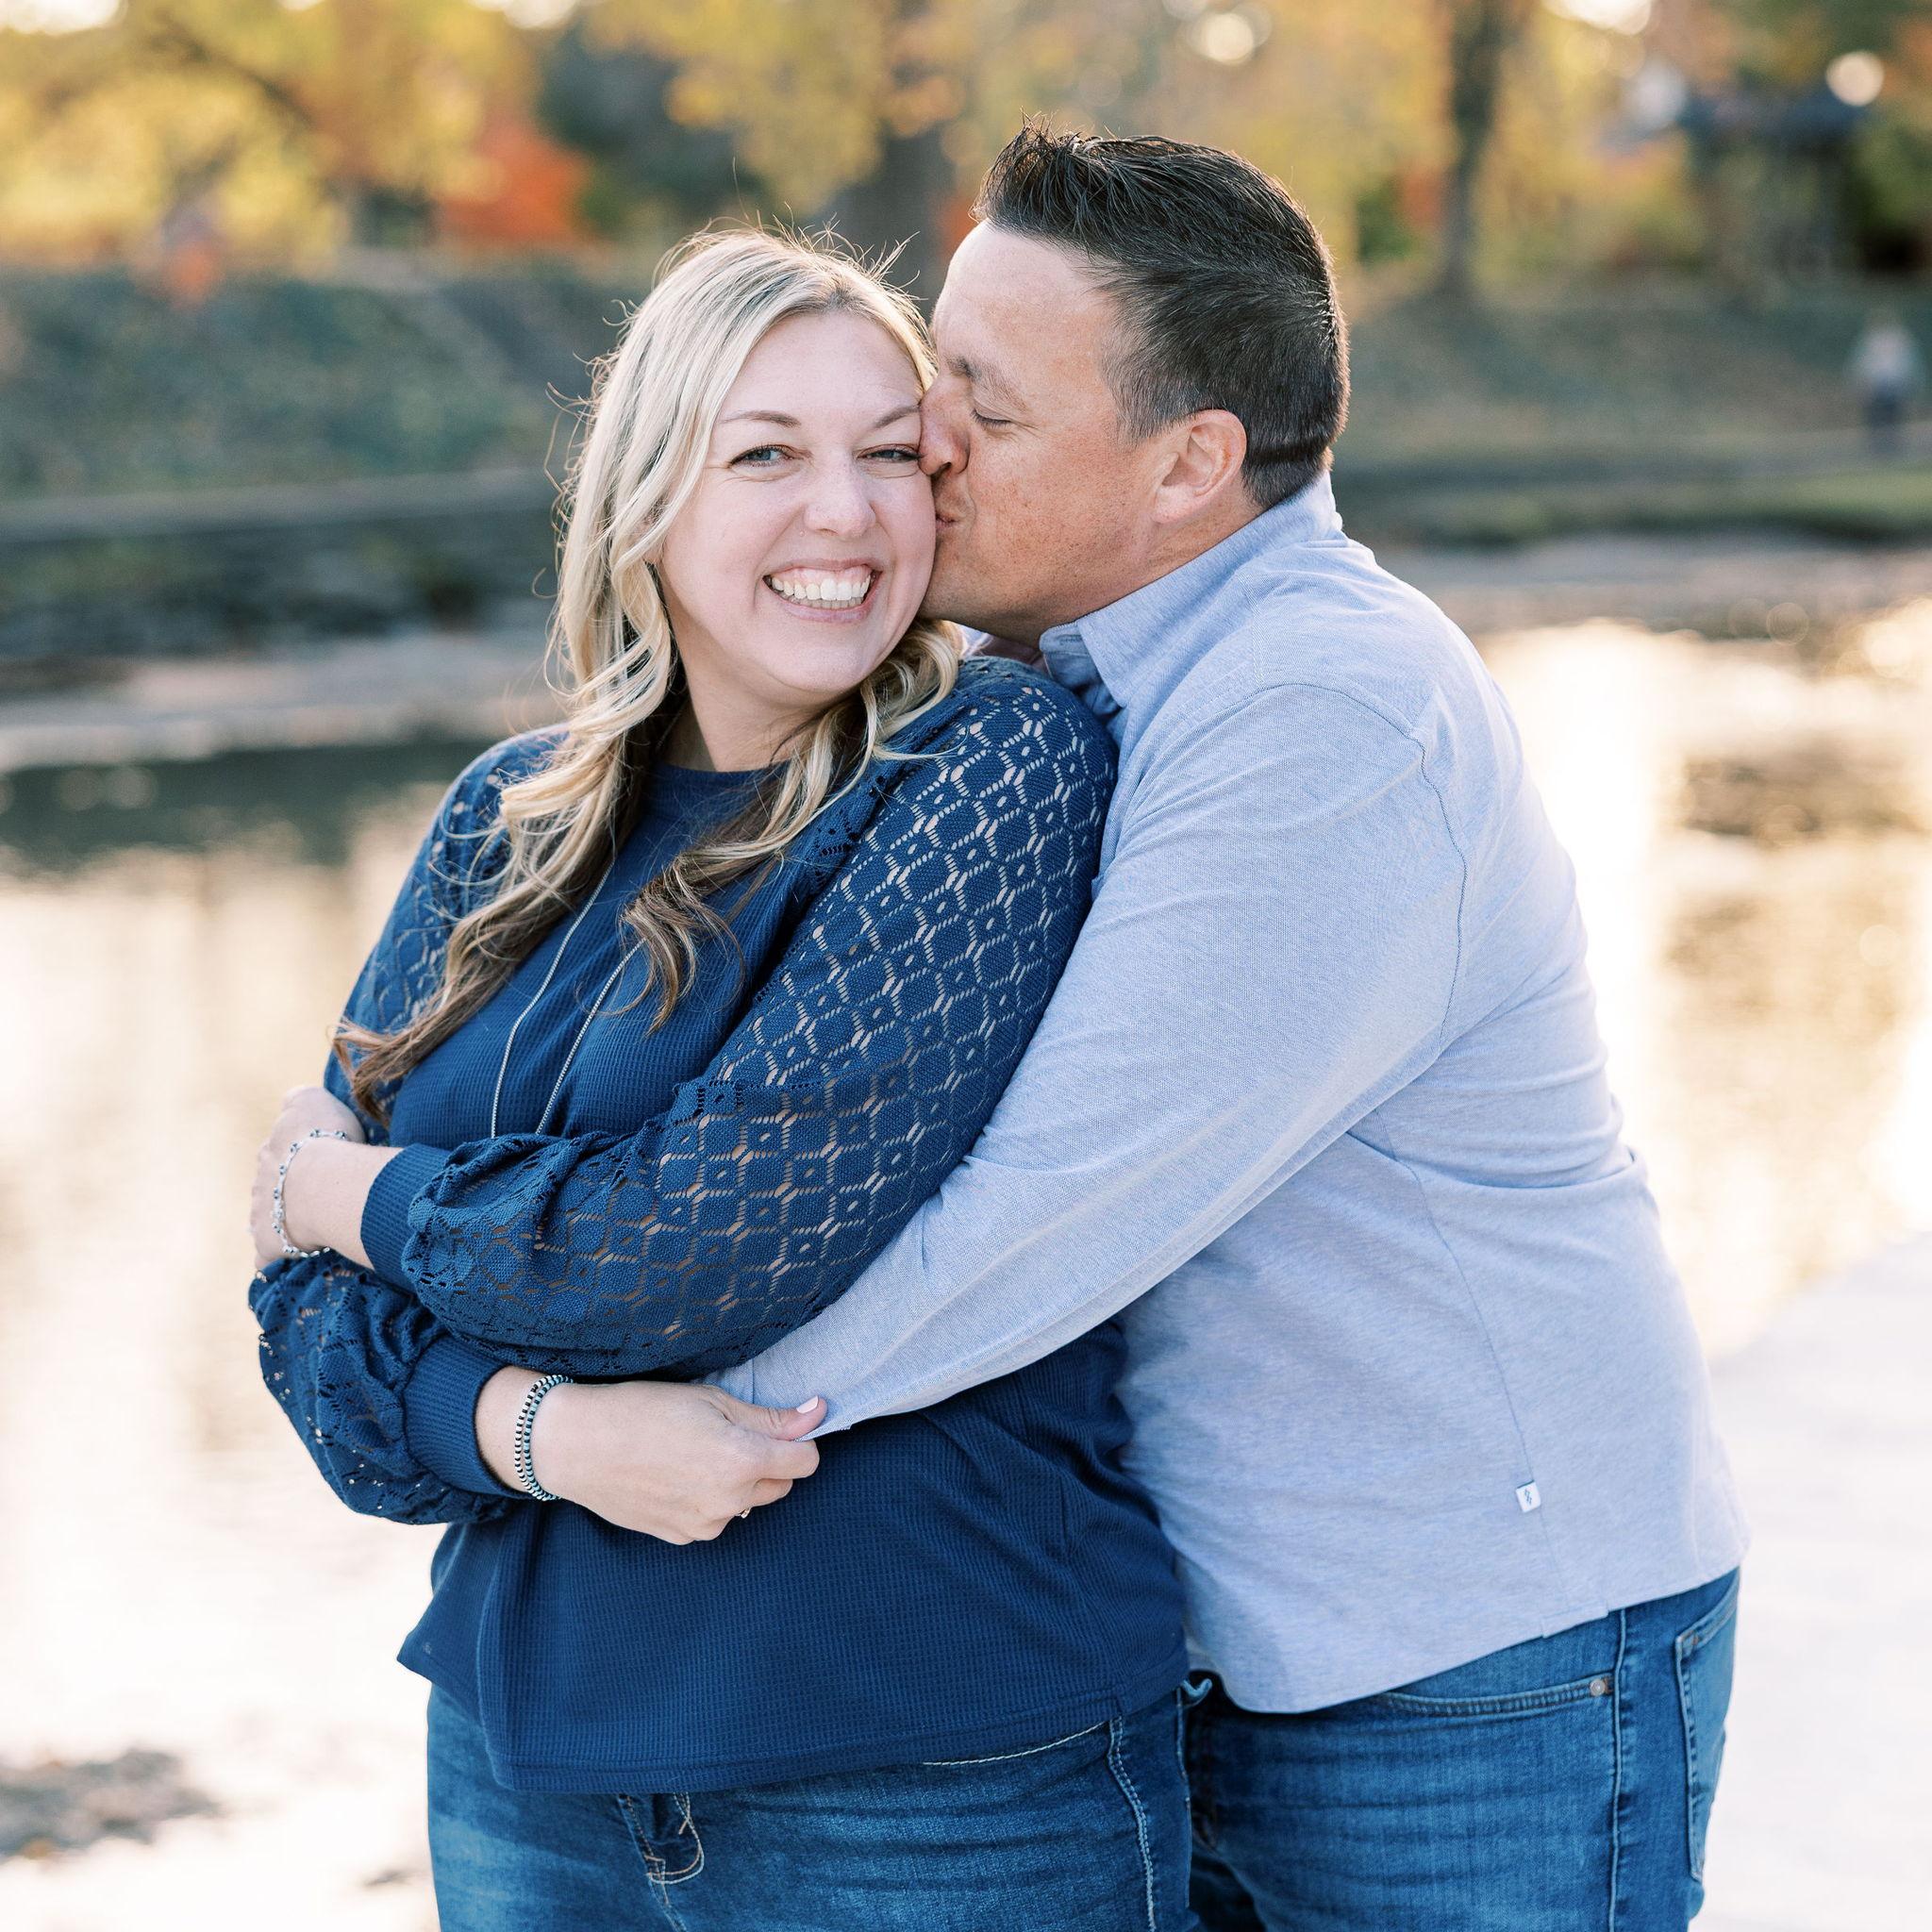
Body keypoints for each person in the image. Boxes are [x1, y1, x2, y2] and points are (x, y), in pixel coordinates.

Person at [692, 125, 1740, 1927]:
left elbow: (1030, 1225)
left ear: (1190, 464)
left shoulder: (1320, 714)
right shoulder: (1058, 687)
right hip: (1239, 1642)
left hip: (1470, 1663)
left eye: (985, 412)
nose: (923, 447)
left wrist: (583, 1429)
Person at [246, 228, 1193, 1930]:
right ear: (645, 494)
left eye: (892, 456)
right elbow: (305, 1336)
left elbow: (686, 1246)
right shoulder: (506, 817)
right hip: (528, 1760)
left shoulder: (990, 764)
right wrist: (543, 1433)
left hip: (931, 1765)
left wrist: (347, 1192)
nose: (845, 512)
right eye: (766, 453)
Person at [1848, 308, 1923, 456]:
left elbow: (1909, 363)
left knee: (1893, 418)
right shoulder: (1870, 340)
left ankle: (1893, 450)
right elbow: (1861, 365)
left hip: (1894, 386)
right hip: (1876, 386)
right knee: (1876, 419)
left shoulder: (1900, 339)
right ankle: (1878, 451)